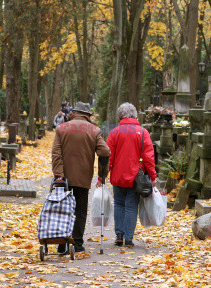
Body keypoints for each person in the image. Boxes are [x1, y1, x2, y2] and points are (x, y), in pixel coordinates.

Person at [52, 101, 111, 252]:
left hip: (63, 178)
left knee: (63, 208)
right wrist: (102, 175)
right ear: (88, 115)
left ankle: (62, 243)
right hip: (83, 177)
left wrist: (59, 174)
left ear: (74, 113)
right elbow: (105, 151)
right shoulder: (94, 130)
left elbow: (56, 154)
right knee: (80, 211)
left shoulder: (61, 128)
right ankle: (78, 243)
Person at [102, 102, 156, 248]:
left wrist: (102, 176)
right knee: (131, 207)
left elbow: (108, 157)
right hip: (135, 177)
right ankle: (129, 238)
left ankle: (119, 234)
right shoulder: (143, 132)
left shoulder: (114, 132)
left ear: (120, 115)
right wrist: (152, 176)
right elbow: (148, 157)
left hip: (118, 176)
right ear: (134, 115)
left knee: (119, 204)